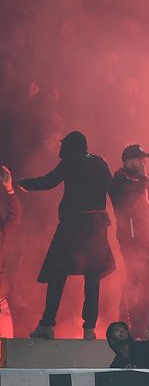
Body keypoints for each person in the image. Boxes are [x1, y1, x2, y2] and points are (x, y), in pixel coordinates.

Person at [20, 131, 115, 339]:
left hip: (72, 226)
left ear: (70, 147)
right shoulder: (100, 163)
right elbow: (113, 190)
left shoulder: (71, 161)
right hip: (96, 227)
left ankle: (47, 324)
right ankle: (89, 329)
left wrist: (23, 183)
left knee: (57, 272)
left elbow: (49, 181)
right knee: (92, 277)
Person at [108, 144, 149, 337]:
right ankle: (130, 324)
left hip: (146, 238)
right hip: (131, 240)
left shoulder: (142, 178)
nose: (143, 162)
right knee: (134, 280)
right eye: (140, 158)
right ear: (128, 160)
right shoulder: (119, 180)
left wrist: (148, 179)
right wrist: (144, 178)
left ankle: (146, 322)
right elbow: (128, 200)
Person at [0, 166, 22, 337]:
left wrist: (9, 189)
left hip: (1, 304)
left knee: (7, 347)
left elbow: (15, 217)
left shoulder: (1, 233)